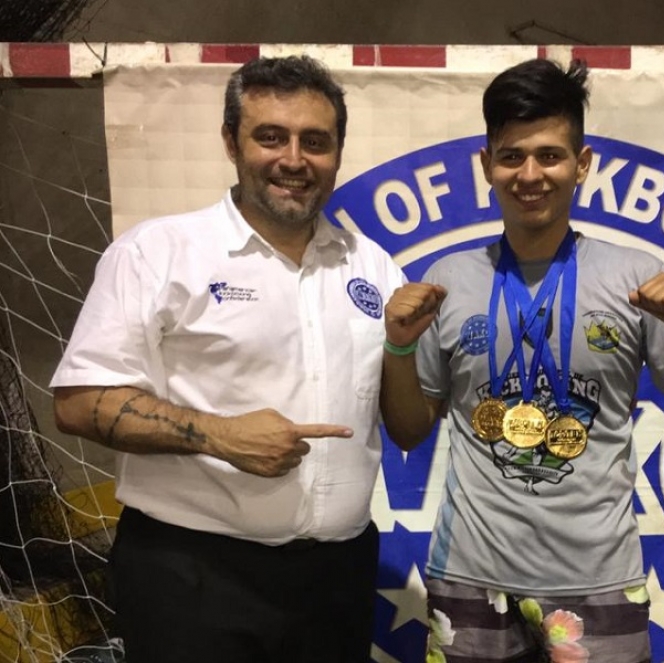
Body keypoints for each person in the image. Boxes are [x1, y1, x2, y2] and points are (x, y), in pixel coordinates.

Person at [380, 58, 664, 663]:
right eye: (512, 156)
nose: (530, 174)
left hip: (600, 579)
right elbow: (408, 430)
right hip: (469, 577)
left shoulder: (635, 278)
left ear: (582, 163)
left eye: (549, 155)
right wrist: (398, 346)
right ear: (486, 165)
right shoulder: (447, 280)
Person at [50, 55, 405, 663]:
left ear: (338, 152)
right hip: (192, 577)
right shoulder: (157, 252)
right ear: (230, 142)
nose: (293, 159)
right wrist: (221, 436)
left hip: (336, 580)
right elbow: (80, 402)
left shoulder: (371, 265)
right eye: (271, 136)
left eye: (315, 141)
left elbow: (399, 411)